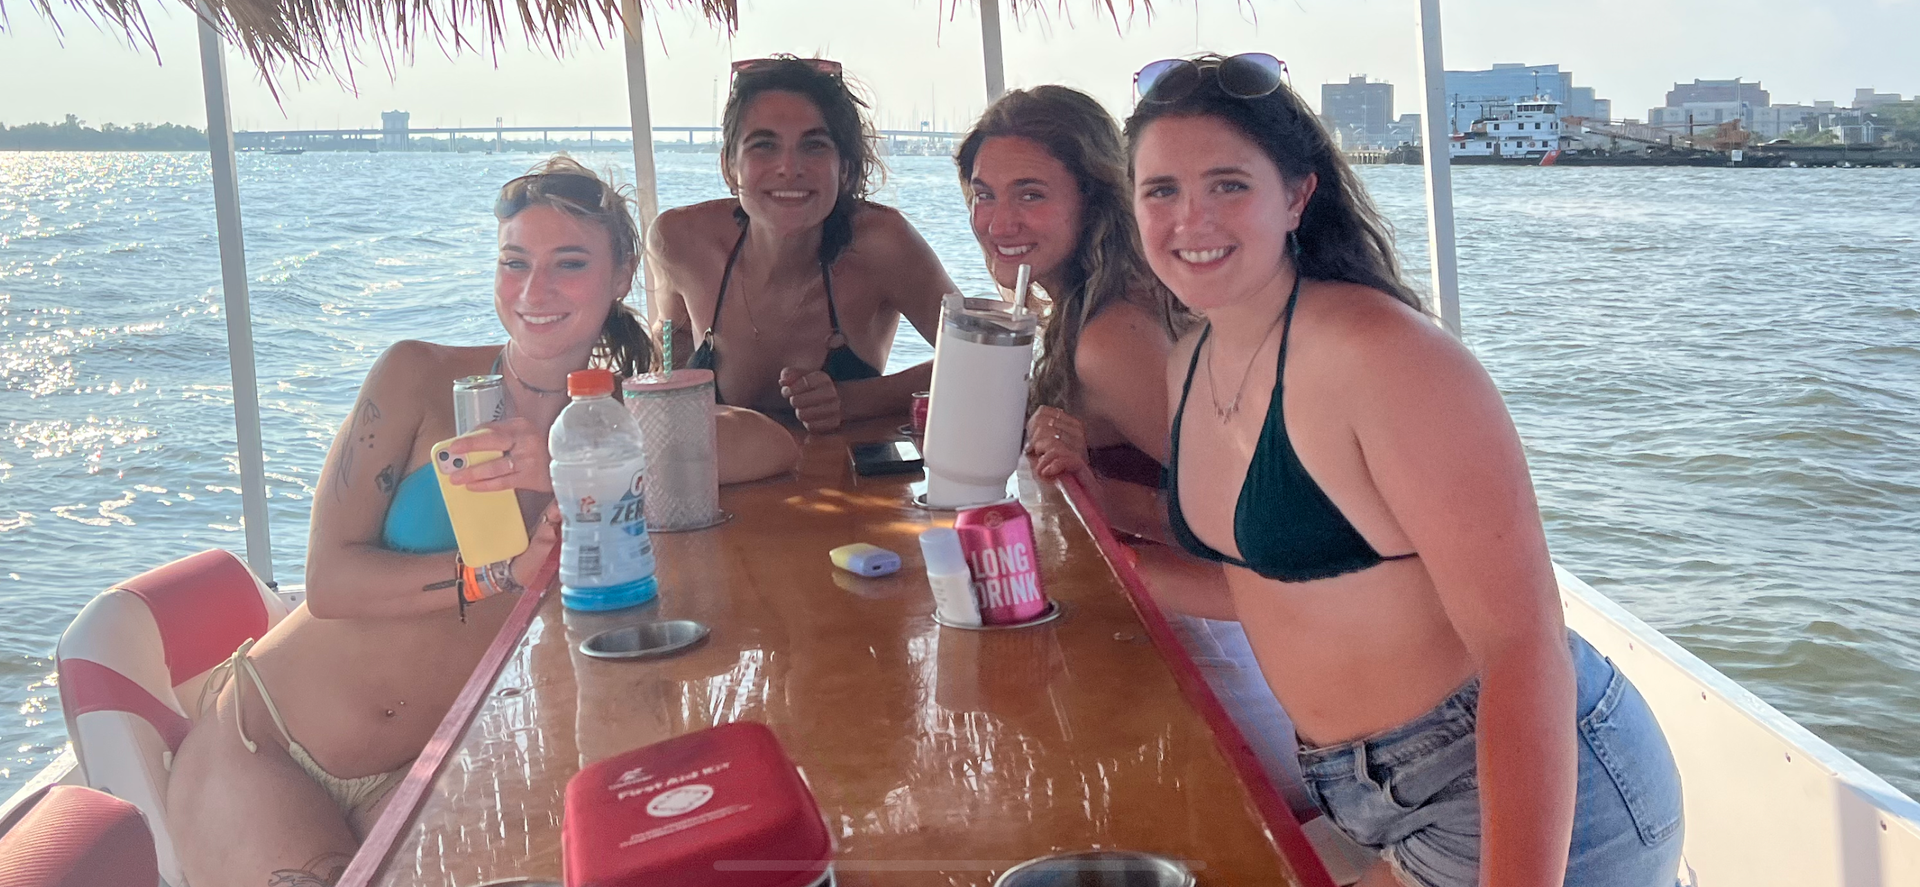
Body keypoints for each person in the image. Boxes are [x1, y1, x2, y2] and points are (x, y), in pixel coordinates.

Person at [1125, 54, 1684, 887]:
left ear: (1297, 196)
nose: (1190, 218)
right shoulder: (1191, 358)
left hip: (1505, 787)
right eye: (1160, 190)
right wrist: (1113, 558)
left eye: (1228, 184)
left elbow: (1523, 647)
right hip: (1373, 793)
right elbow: (1271, 585)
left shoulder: (1382, 357)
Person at [165, 156, 798, 887]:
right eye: (514, 262)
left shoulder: (607, 427)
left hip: (435, 768)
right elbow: (329, 579)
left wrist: (573, 459)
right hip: (269, 745)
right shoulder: (416, 377)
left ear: (622, 274)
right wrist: (499, 570)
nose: (535, 290)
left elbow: (766, 443)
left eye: (569, 262)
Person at [955, 85, 1317, 816]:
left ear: (1094, 197)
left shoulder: (1108, 337)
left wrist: (1098, 494)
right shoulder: (1080, 309)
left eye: (1031, 194)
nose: (999, 221)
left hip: (1217, 668)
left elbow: (1258, 535)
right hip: (1170, 641)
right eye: (983, 194)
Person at [648, 55, 956, 432]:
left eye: (814, 146)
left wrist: (854, 400)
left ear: (844, 169)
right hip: (726, 486)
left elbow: (981, 356)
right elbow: (672, 338)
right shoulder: (680, 241)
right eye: (764, 145)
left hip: (854, 488)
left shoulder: (882, 245)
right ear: (730, 166)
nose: (790, 167)